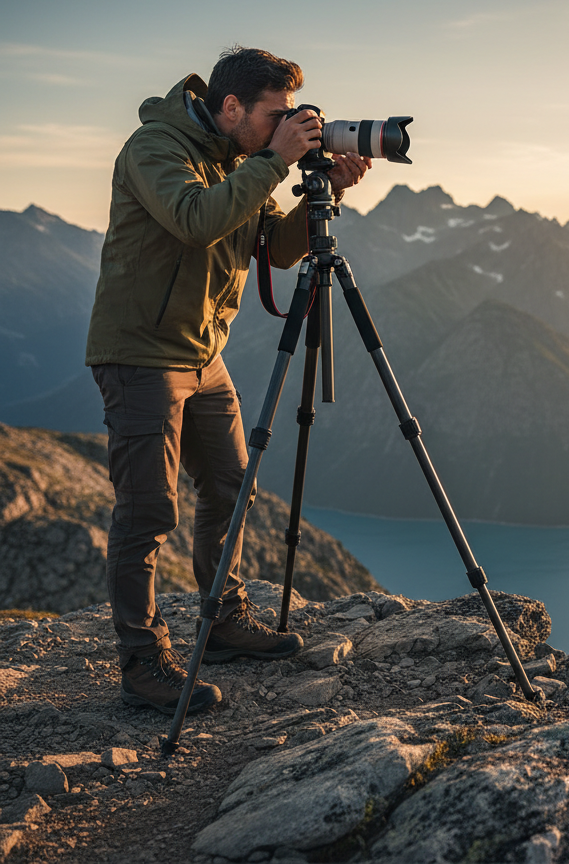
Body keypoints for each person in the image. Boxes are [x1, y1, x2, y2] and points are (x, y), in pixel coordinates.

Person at [85, 46, 370, 715]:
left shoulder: (235, 161)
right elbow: (195, 220)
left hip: (200, 356)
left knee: (229, 485)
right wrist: (275, 162)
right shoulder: (155, 148)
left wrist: (329, 193)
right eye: (276, 117)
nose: (284, 130)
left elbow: (274, 247)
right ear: (232, 105)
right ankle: (142, 660)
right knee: (148, 510)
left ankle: (221, 625)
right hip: (140, 355)